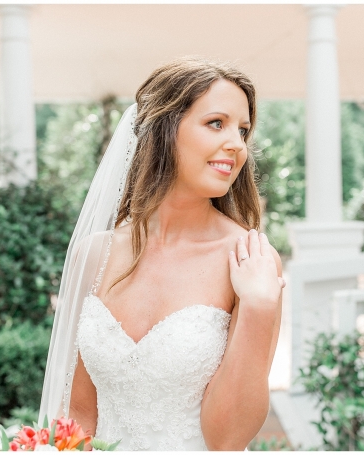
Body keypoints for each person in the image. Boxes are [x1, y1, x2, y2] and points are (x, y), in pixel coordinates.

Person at [39, 56, 285, 451]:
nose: (237, 145)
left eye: (243, 130)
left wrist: (258, 306)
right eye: (216, 123)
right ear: (163, 131)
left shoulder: (249, 261)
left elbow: (227, 439)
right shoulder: (93, 256)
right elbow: (78, 415)